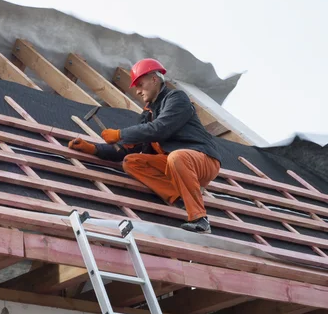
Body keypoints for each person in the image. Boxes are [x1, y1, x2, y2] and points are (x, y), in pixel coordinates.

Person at [68, 58, 222, 233]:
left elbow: (160, 129)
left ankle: (200, 220)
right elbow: (126, 150)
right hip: (175, 165)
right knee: (131, 161)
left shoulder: (176, 98)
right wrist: (93, 148)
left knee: (177, 156)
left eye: (140, 85)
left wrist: (119, 134)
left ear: (154, 79)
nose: (138, 91)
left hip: (202, 160)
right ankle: (180, 195)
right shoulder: (148, 114)